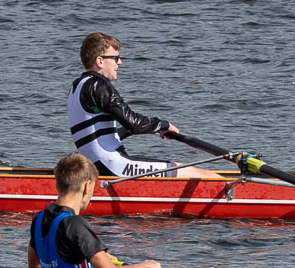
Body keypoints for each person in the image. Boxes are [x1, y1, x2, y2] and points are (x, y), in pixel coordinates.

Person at [28, 153, 198, 268]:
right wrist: (146, 266)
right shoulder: (75, 224)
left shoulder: (39, 220)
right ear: (87, 186)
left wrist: (90, 259)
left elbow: (36, 264)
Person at [67, 32, 213, 179]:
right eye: (116, 58)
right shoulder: (99, 85)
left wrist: (147, 128)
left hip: (95, 166)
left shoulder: (77, 87)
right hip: (114, 166)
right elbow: (134, 123)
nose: (120, 62)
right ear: (100, 61)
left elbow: (101, 136)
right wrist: (162, 125)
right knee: (202, 175)